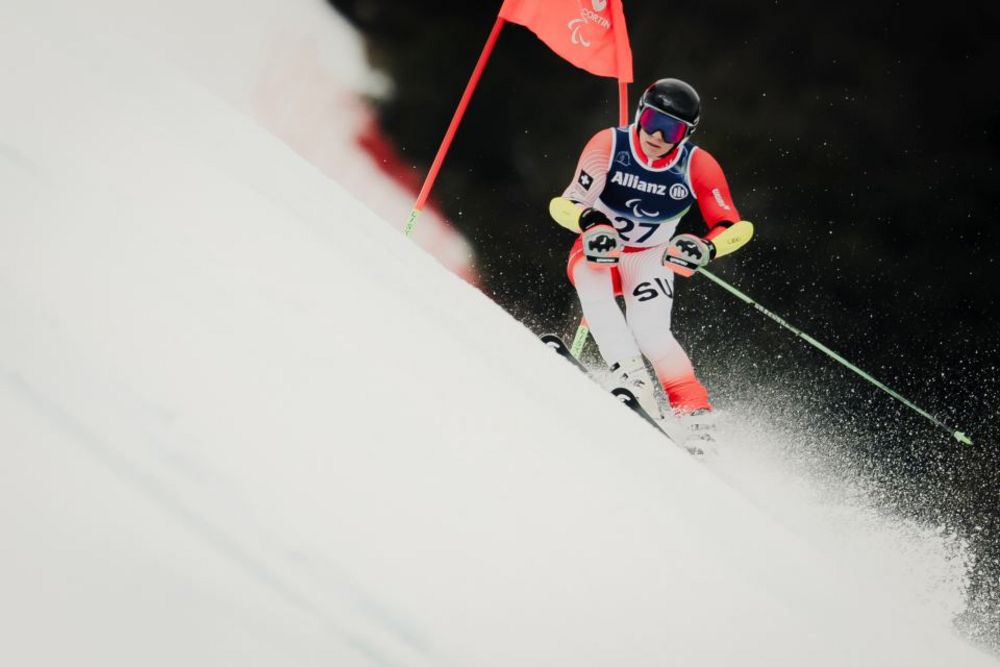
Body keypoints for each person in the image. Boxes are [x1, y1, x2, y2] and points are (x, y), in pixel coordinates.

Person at [554, 77, 749, 429]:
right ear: (640, 113)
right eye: (652, 121)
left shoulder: (696, 164)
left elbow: (736, 226)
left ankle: (695, 415)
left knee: (651, 331)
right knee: (593, 283)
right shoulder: (609, 144)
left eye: (671, 130)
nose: (657, 136)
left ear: (686, 134)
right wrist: (590, 221)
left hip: (649, 258)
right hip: (603, 247)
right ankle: (634, 379)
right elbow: (564, 204)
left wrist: (707, 247)